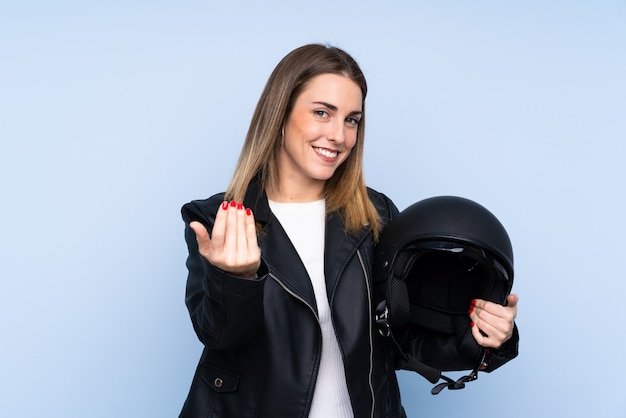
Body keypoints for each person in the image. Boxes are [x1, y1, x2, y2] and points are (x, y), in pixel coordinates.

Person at [179, 43, 519, 417]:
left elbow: (400, 339)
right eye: (322, 113)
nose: (339, 135)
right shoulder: (219, 219)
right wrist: (238, 279)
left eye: (351, 119)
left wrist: (480, 339)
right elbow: (220, 336)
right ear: (279, 115)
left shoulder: (377, 216)